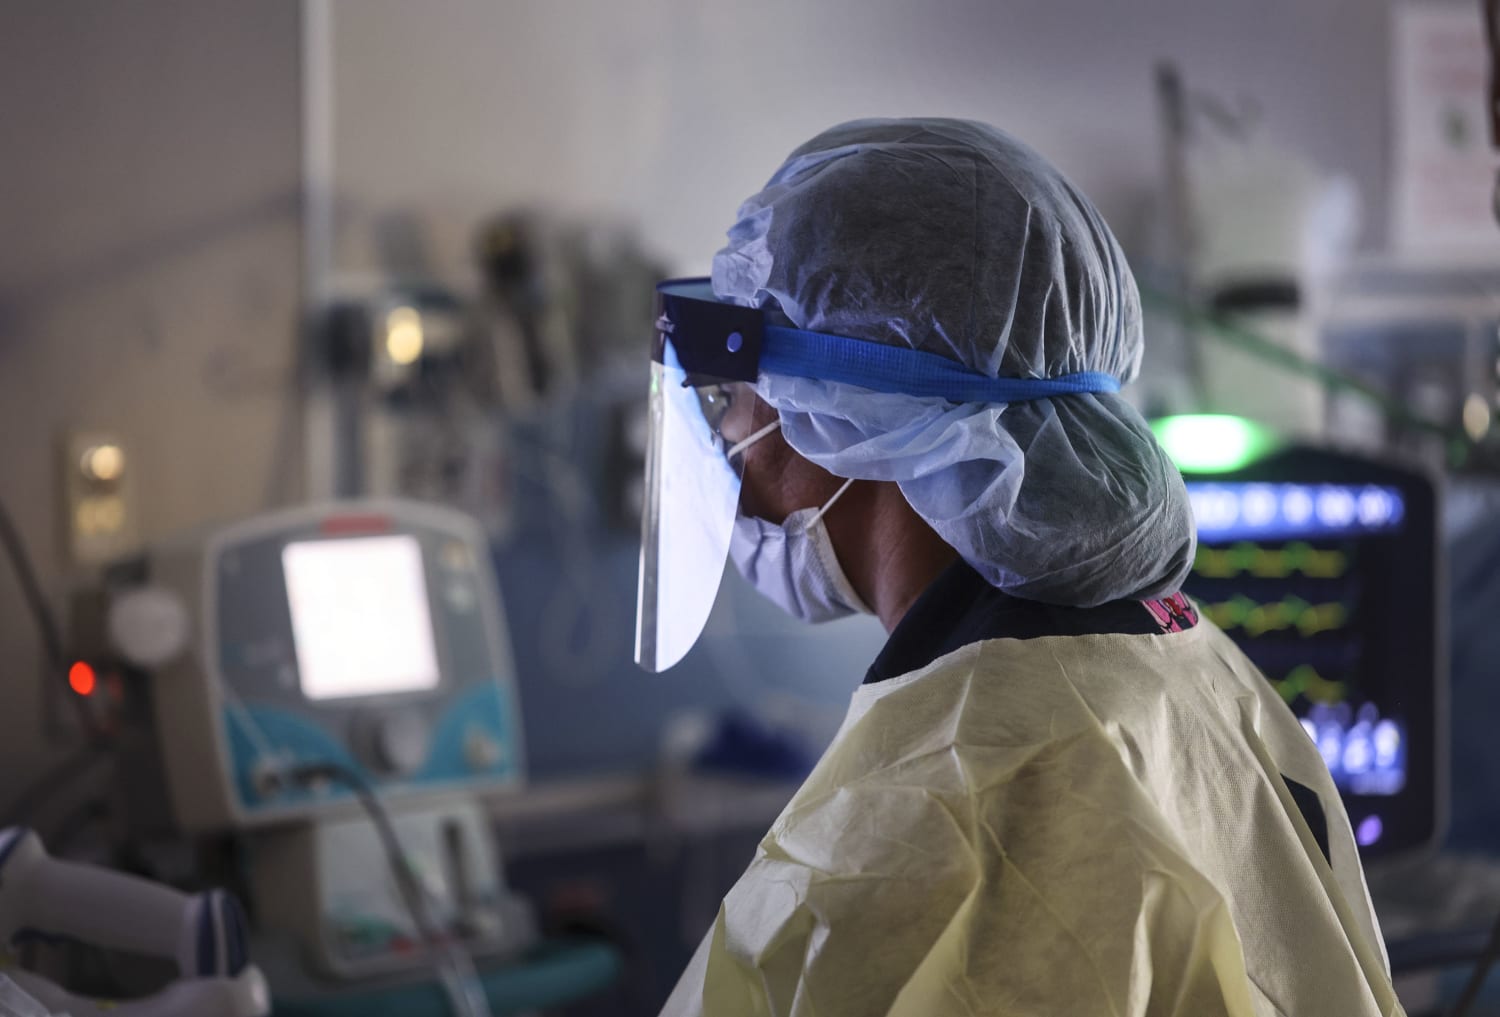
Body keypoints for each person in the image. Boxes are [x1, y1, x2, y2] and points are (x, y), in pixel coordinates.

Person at [635, 119, 1403, 1017]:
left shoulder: (947, 811)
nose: (729, 438)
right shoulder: (1188, 669)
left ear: (848, 413)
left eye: (737, 397)